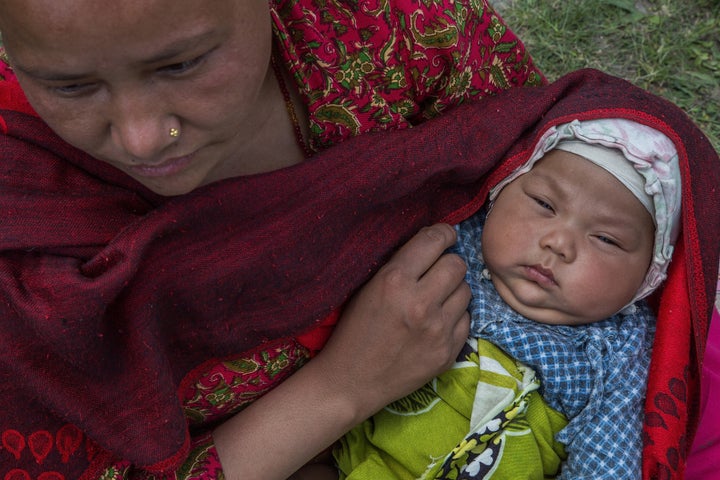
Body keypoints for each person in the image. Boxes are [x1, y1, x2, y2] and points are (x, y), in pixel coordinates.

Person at [0, 0, 545, 479]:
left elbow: (560, 179)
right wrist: (341, 389)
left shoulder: (399, 35)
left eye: (182, 64)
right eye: (69, 86)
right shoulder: (17, 196)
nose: (143, 137)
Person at [332, 117, 681, 479]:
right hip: (349, 456)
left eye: (606, 239)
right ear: (499, 194)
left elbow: (608, 462)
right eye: (544, 204)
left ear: (648, 278)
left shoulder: (624, 351)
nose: (558, 243)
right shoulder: (448, 242)